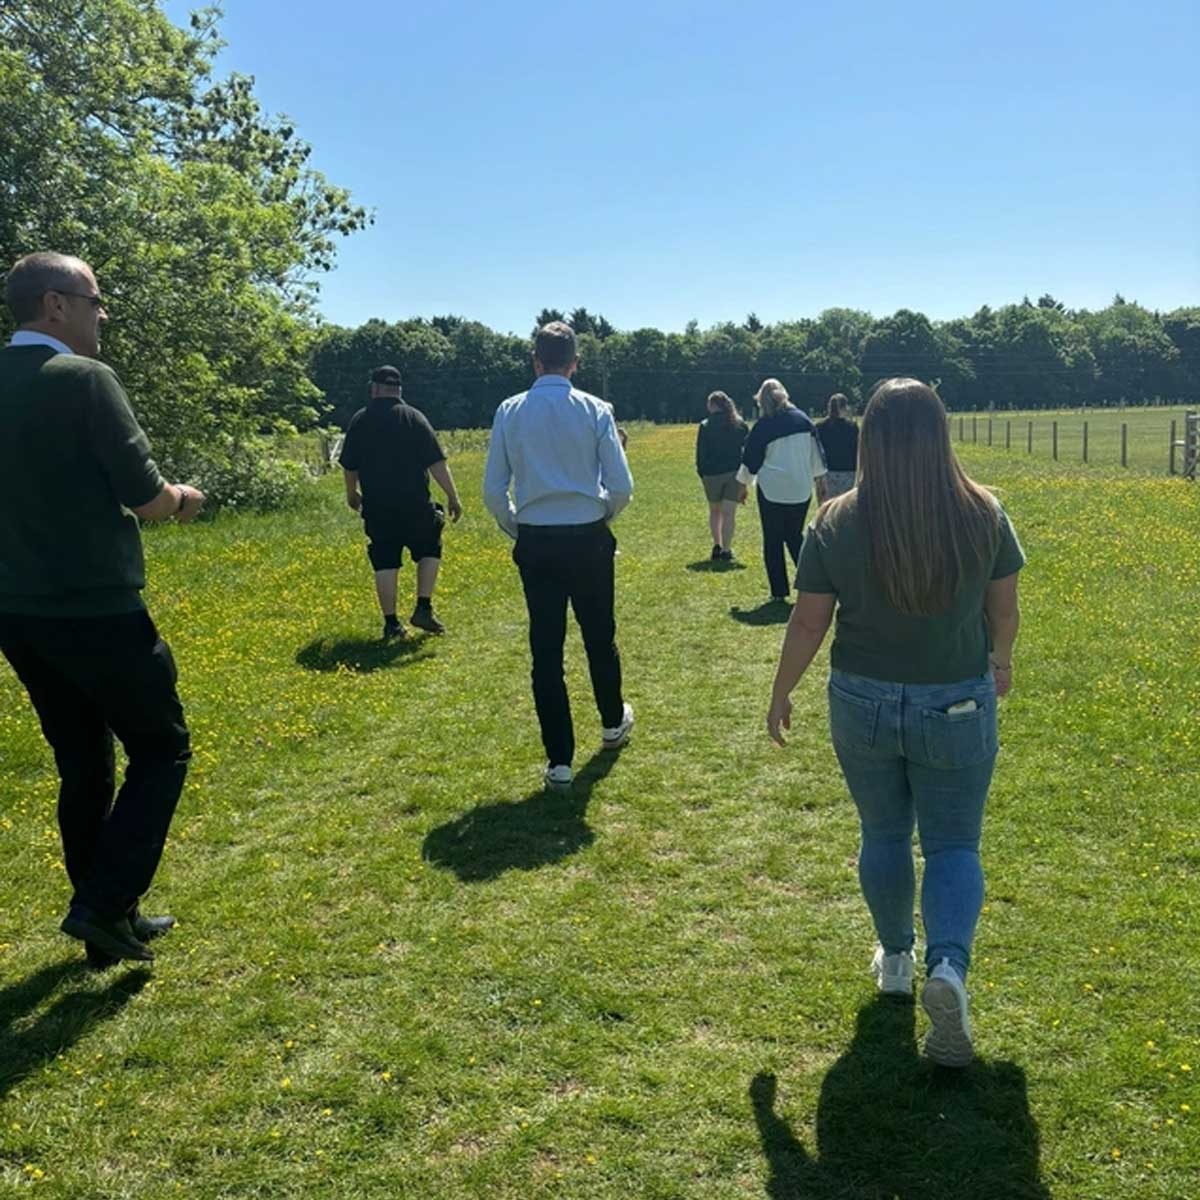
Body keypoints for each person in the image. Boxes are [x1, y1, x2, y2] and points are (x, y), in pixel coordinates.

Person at [765, 378, 1024, 1067]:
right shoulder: (984, 511)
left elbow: (809, 621)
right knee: (954, 844)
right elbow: (1003, 610)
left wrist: (782, 690)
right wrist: (1000, 660)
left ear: (870, 440)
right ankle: (949, 967)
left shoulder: (836, 520)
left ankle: (897, 961)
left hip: (862, 700)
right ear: (941, 432)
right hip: (957, 699)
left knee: (882, 834)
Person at [0, 251, 205, 967]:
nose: (102, 314)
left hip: (18, 613)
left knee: (83, 763)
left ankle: (106, 925)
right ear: (55, 305)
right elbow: (145, 496)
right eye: (94, 301)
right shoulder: (84, 379)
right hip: (96, 607)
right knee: (161, 748)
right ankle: (105, 904)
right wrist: (183, 501)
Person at [483, 321, 634, 789]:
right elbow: (621, 486)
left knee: (546, 648)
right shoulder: (595, 409)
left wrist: (518, 525)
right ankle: (612, 722)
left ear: (535, 362)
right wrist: (600, 513)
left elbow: (493, 490)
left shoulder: (510, 411)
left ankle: (560, 760)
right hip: (587, 536)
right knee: (599, 636)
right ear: (575, 363)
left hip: (537, 538)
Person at [339, 366, 463, 639]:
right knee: (430, 547)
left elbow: (349, 465)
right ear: (399, 390)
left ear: (374, 388)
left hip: (377, 506)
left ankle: (391, 623)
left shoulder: (360, 420)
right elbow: (436, 462)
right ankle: (423, 607)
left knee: (384, 560)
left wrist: (352, 493)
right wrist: (452, 496)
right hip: (415, 504)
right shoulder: (413, 417)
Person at [737, 379, 827, 603]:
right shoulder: (804, 421)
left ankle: (779, 591)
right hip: (800, 489)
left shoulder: (763, 426)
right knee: (795, 536)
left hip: (772, 490)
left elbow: (751, 460)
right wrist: (820, 481)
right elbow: (816, 456)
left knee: (773, 540)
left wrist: (743, 485)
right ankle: (813, 582)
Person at [695, 390, 749, 561]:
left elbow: (701, 453)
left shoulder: (705, 425)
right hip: (734, 473)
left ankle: (717, 545)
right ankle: (726, 549)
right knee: (729, 513)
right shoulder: (739, 424)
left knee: (715, 511)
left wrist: (702, 472)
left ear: (712, 405)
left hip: (711, 474)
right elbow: (745, 452)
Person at [814, 392, 859, 498]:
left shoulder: (819, 427)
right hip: (848, 473)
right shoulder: (852, 427)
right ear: (845, 407)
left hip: (825, 473)